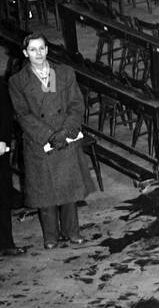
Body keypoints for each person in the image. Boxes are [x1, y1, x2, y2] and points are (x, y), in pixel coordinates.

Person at [7, 32, 95, 249]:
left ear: (47, 50)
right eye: (33, 49)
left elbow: (76, 105)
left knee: (69, 190)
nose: (38, 53)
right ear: (26, 53)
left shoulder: (64, 73)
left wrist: (64, 132)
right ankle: (51, 236)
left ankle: (72, 232)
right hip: (39, 142)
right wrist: (48, 135)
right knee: (45, 195)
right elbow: (23, 114)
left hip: (65, 138)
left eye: (42, 48)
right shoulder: (17, 81)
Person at [0, 49, 26, 256]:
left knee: (2, 199)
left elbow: (5, 116)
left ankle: (6, 244)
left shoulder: (0, 88)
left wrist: (2, 141)